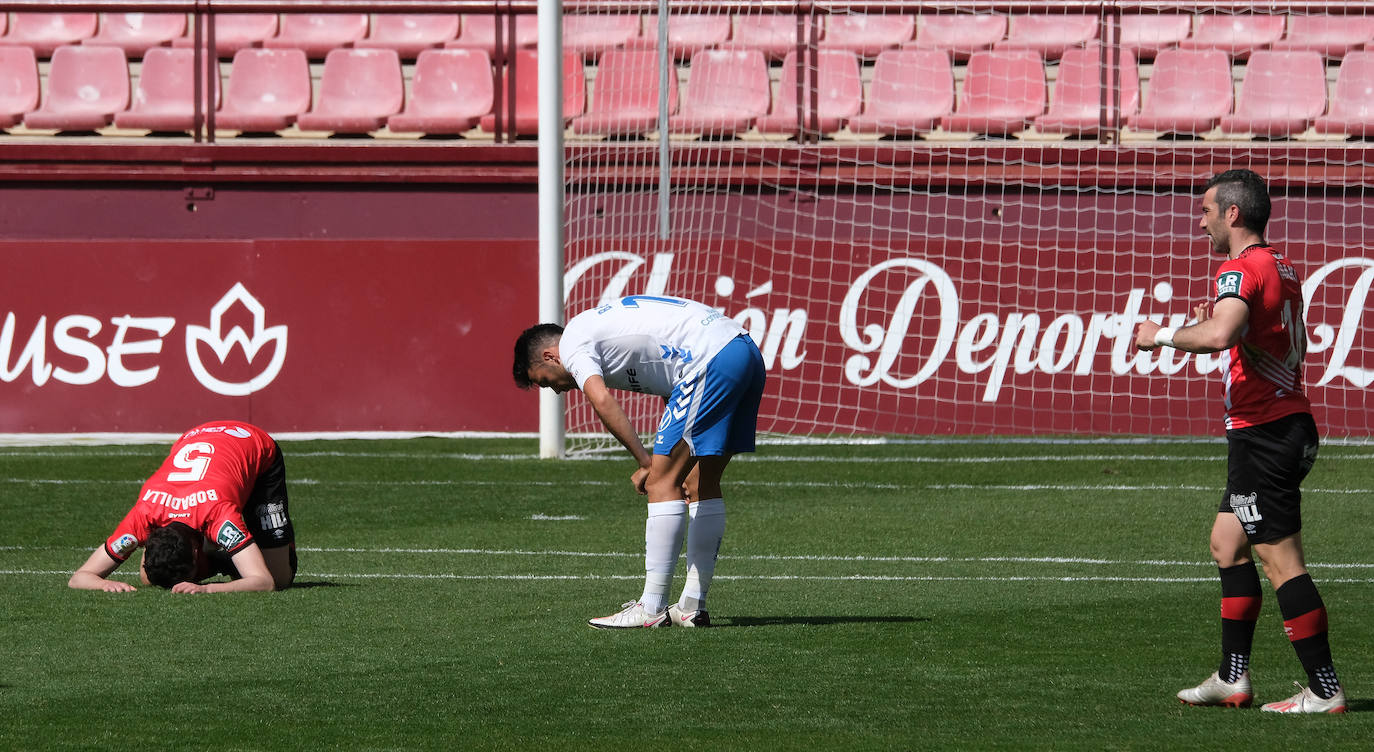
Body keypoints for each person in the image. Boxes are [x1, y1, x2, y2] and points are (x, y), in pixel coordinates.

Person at [1135, 169, 1345, 713]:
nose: (1199, 221)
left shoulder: (1240, 266)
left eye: (1206, 210)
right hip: (1280, 428)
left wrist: (1158, 336)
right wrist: (1220, 328)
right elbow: (1249, 337)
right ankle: (1233, 678)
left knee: (1283, 563)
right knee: (1227, 543)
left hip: (1267, 435)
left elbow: (1221, 334)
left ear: (1232, 214)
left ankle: (1324, 690)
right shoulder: (1279, 263)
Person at [514, 295, 766, 629]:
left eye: (546, 381)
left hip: (710, 359)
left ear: (550, 356)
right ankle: (691, 606)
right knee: (698, 481)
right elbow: (670, 381)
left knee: (662, 482)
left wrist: (646, 461)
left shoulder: (573, 341)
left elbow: (601, 400)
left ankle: (650, 608)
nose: (557, 391)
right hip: (743, 351)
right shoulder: (599, 332)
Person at [69, 420, 297, 594]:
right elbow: (79, 577)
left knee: (280, 578)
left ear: (196, 552)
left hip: (253, 443)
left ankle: (224, 559)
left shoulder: (219, 515)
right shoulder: (143, 516)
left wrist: (206, 588)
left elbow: (264, 582)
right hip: (194, 438)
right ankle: (228, 558)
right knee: (150, 576)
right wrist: (105, 584)